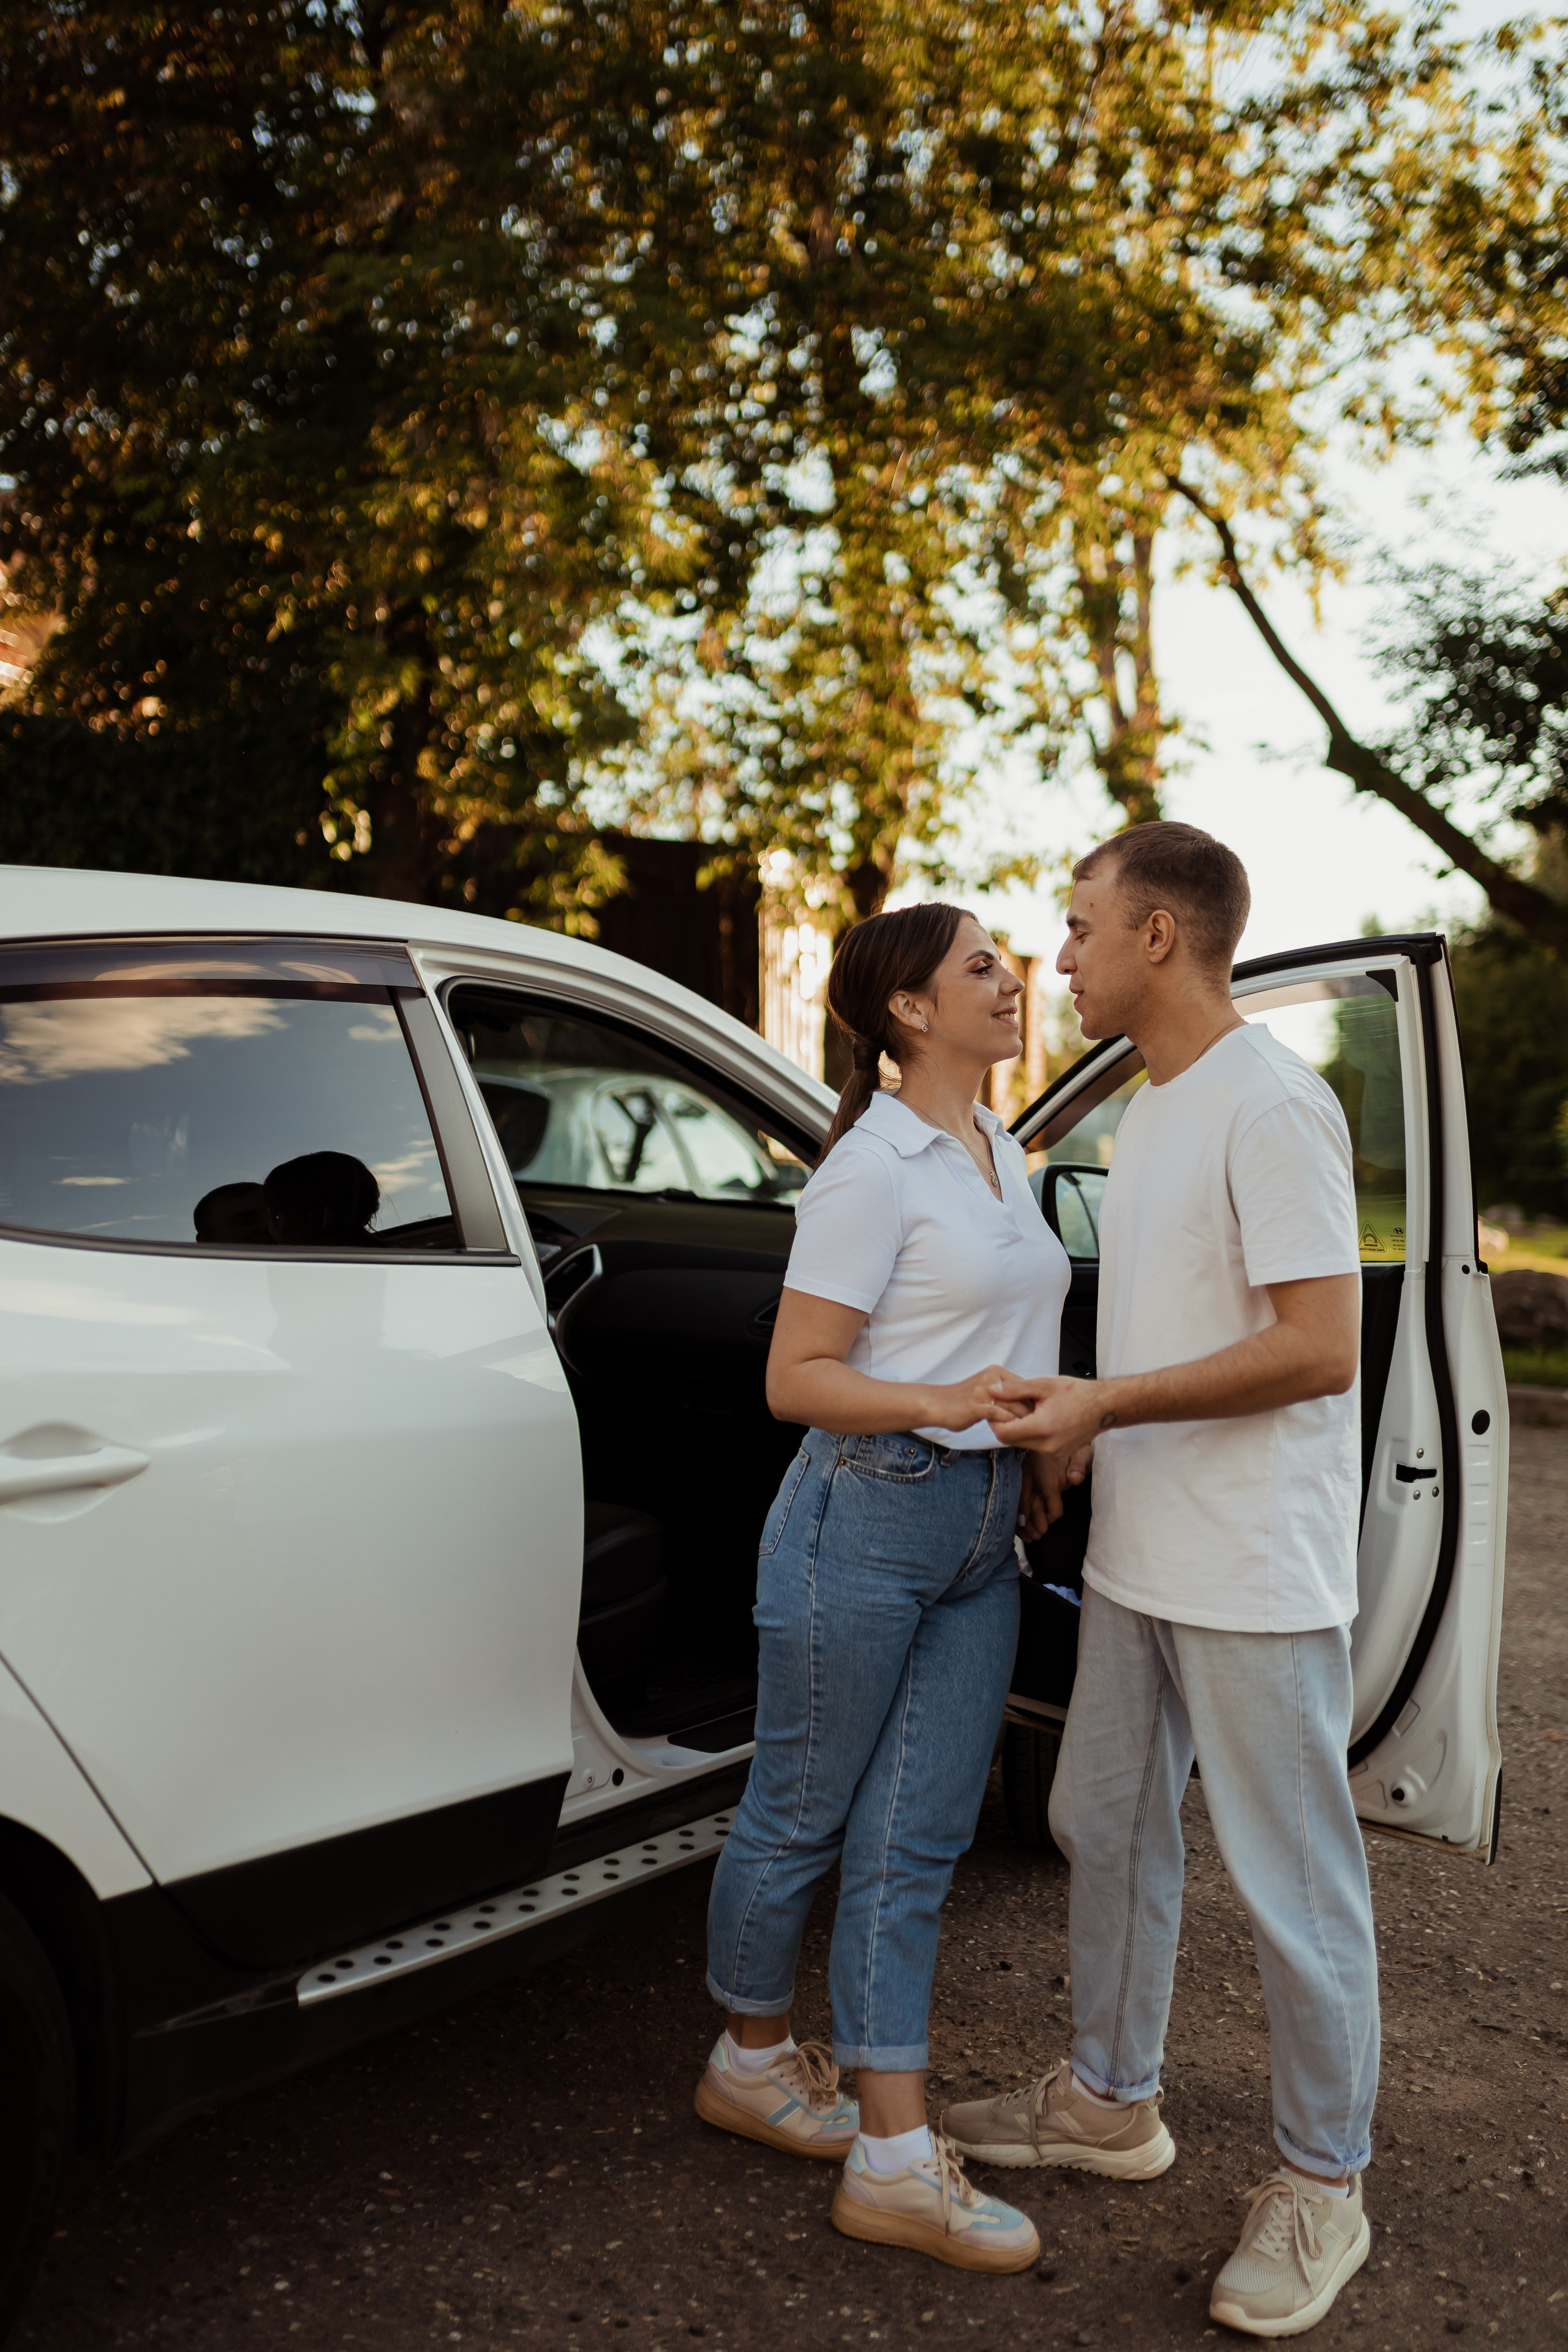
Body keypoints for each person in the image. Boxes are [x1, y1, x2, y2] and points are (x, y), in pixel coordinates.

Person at [942, 823, 1377, 2337]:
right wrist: (1082, 1431)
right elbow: (1159, 1322)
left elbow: (1321, 1347)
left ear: (1157, 938)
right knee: (1097, 1821)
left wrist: (1103, 1409)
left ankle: (1323, 2182)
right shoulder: (1153, 1109)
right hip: (1137, 1554)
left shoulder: (1270, 1103)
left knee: (1291, 1883)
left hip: (1254, 1568)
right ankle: (1111, 2101)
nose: (1051, 955)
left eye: (1074, 927)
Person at [696, 902, 1074, 2273]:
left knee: (920, 1842)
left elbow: (1010, 1324)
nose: (1009, 980)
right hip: (865, 1509)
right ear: (909, 1010)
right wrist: (948, 1403)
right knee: (799, 1813)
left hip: (980, 1524)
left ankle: (889, 2155)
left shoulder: (1002, 1147)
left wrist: (1026, 1453)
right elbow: (795, 1381)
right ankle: (750, 2062)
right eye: (979, 965)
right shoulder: (871, 1166)